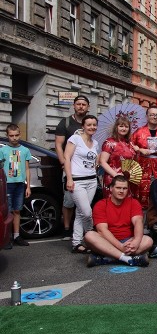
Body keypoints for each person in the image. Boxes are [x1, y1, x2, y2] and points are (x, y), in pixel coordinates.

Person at [85, 175, 152, 267]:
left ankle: (108, 258)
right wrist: (120, 247)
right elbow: (102, 230)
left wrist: (136, 242)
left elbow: (138, 222)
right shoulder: (101, 204)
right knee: (89, 236)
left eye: (124, 188)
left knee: (148, 241)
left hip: (128, 240)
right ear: (111, 188)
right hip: (107, 242)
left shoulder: (133, 202)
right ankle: (128, 258)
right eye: (118, 188)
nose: (121, 191)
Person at [55, 94, 90, 240]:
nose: (81, 106)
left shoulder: (90, 123)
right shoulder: (66, 123)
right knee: (69, 200)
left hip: (86, 169)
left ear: (88, 107)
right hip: (70, 169)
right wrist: (63, 163)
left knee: (84, 201)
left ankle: (82, 228)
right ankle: (67, 228)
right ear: (74, 106)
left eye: (84, 104)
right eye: (78, 104)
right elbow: (58, 144)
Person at [64, 114, 99, 253]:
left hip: (91, 180)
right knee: (87, 212)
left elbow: (93, 161)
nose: (92, 127)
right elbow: (67, 158)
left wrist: (95, 167)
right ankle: (91, 237)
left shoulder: (95, 143)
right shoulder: (75, 139)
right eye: (89, 124)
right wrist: (69, 178)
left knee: (80, 213)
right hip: (77, 180)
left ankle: (77, 243)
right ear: (83, 126)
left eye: (94, 125)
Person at [130, 106, 157, 209]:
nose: (155, 117)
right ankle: (142, 222)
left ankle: (154, 222)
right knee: (141, 198)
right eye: (152, 115)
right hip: (141, 169)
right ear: (147, 116)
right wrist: (140, 150)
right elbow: (130, 147)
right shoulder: (138, 132)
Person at [1, 124, 31, 247]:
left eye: (16, 135)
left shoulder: (25, 150)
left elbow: (27, 169)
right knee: (6, 211)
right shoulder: (2, 150)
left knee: (17, 210)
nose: (14, 138)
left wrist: (28, 186)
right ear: (7, 136)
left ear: (20, 134)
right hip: (7, 184)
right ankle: (6, 238)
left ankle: (17, 235)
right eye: (11, 136)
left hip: (19, 184)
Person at [99, 116, 136, 197]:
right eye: (121, 126)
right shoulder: (109, 142)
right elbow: (102, 162)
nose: (124, 129)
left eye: (126, 126)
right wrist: (116, 175)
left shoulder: (129, 143)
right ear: (116, 127)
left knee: (125, 205)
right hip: (112, 178)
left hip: (127, 179)